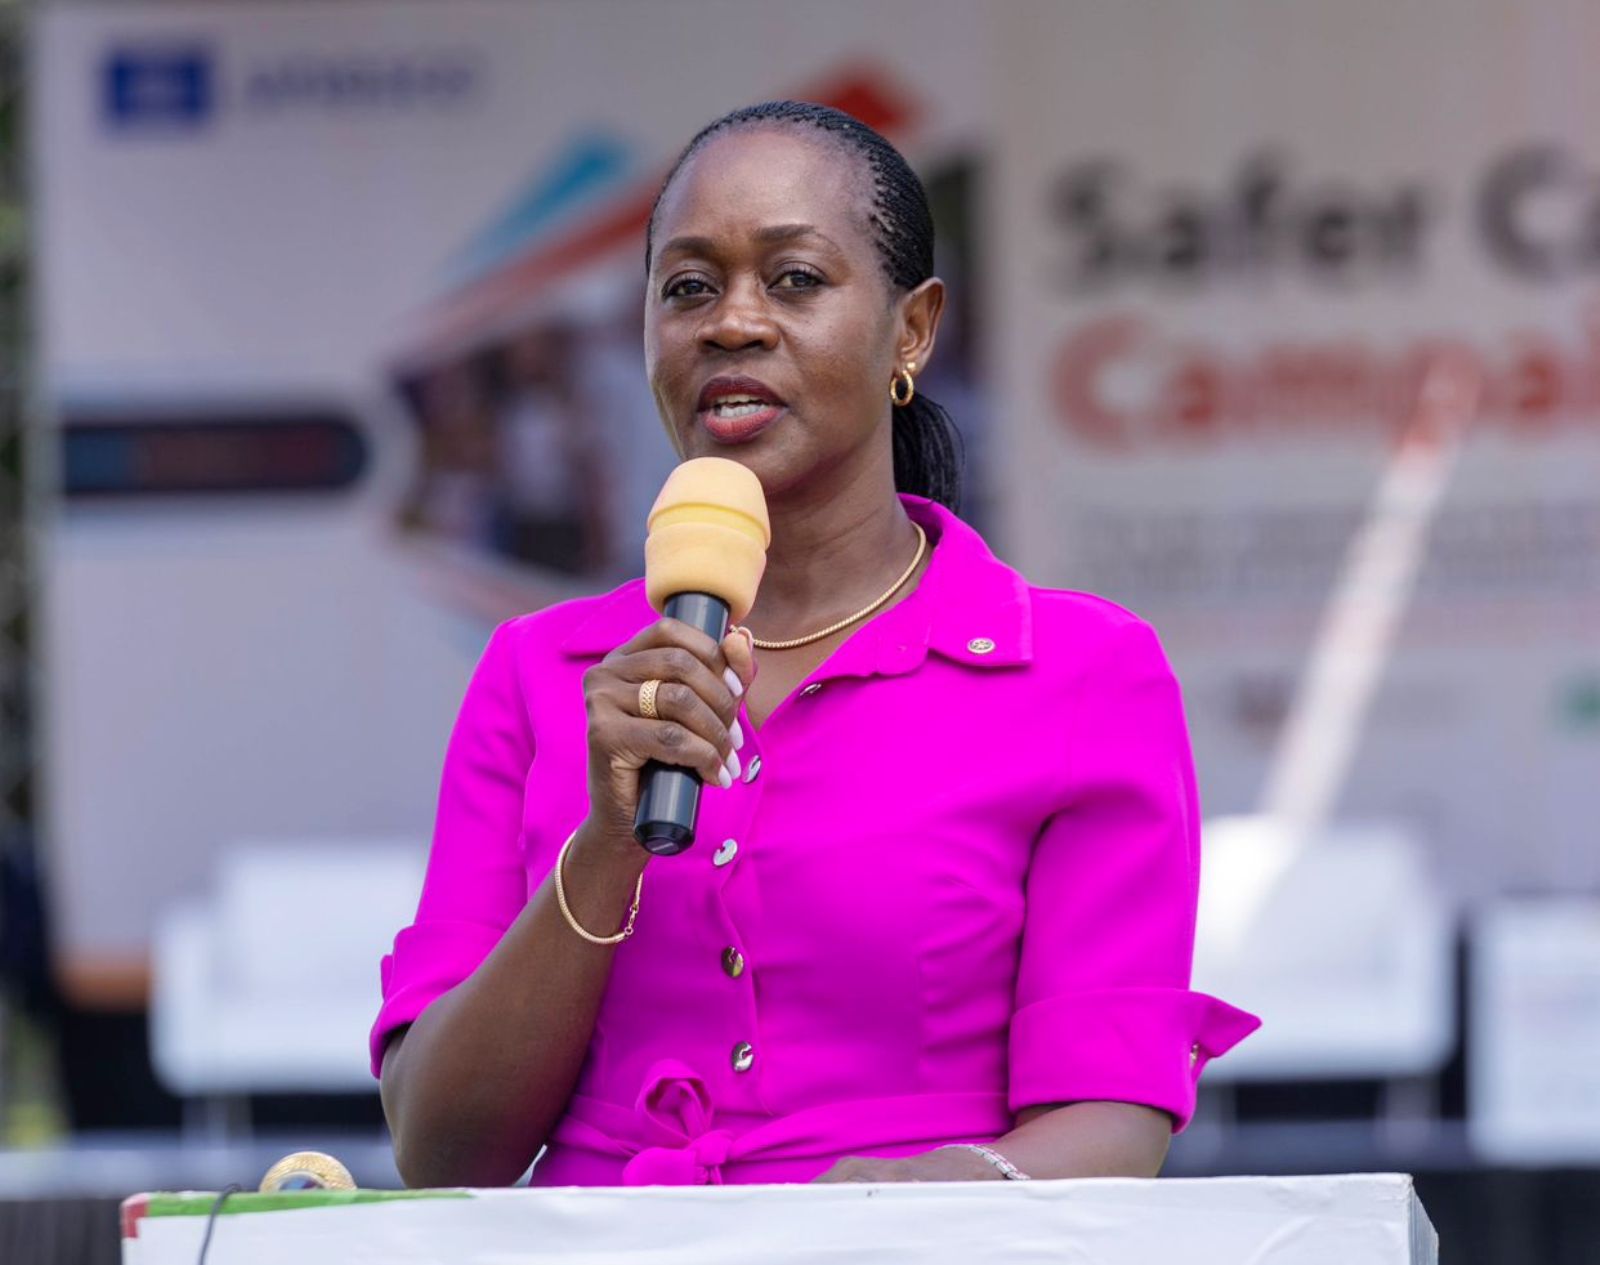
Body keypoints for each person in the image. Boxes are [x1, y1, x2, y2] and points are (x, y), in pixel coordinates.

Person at [372, 101, 1259, 1189]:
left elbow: (1109, 1126)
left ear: (915, 328)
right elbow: (439, 1147)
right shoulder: (539, 674)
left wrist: (875, 1214)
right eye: (687, 287)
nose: (731, 323)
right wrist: (606, 841)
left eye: (793, 279)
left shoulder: (1077, 673)